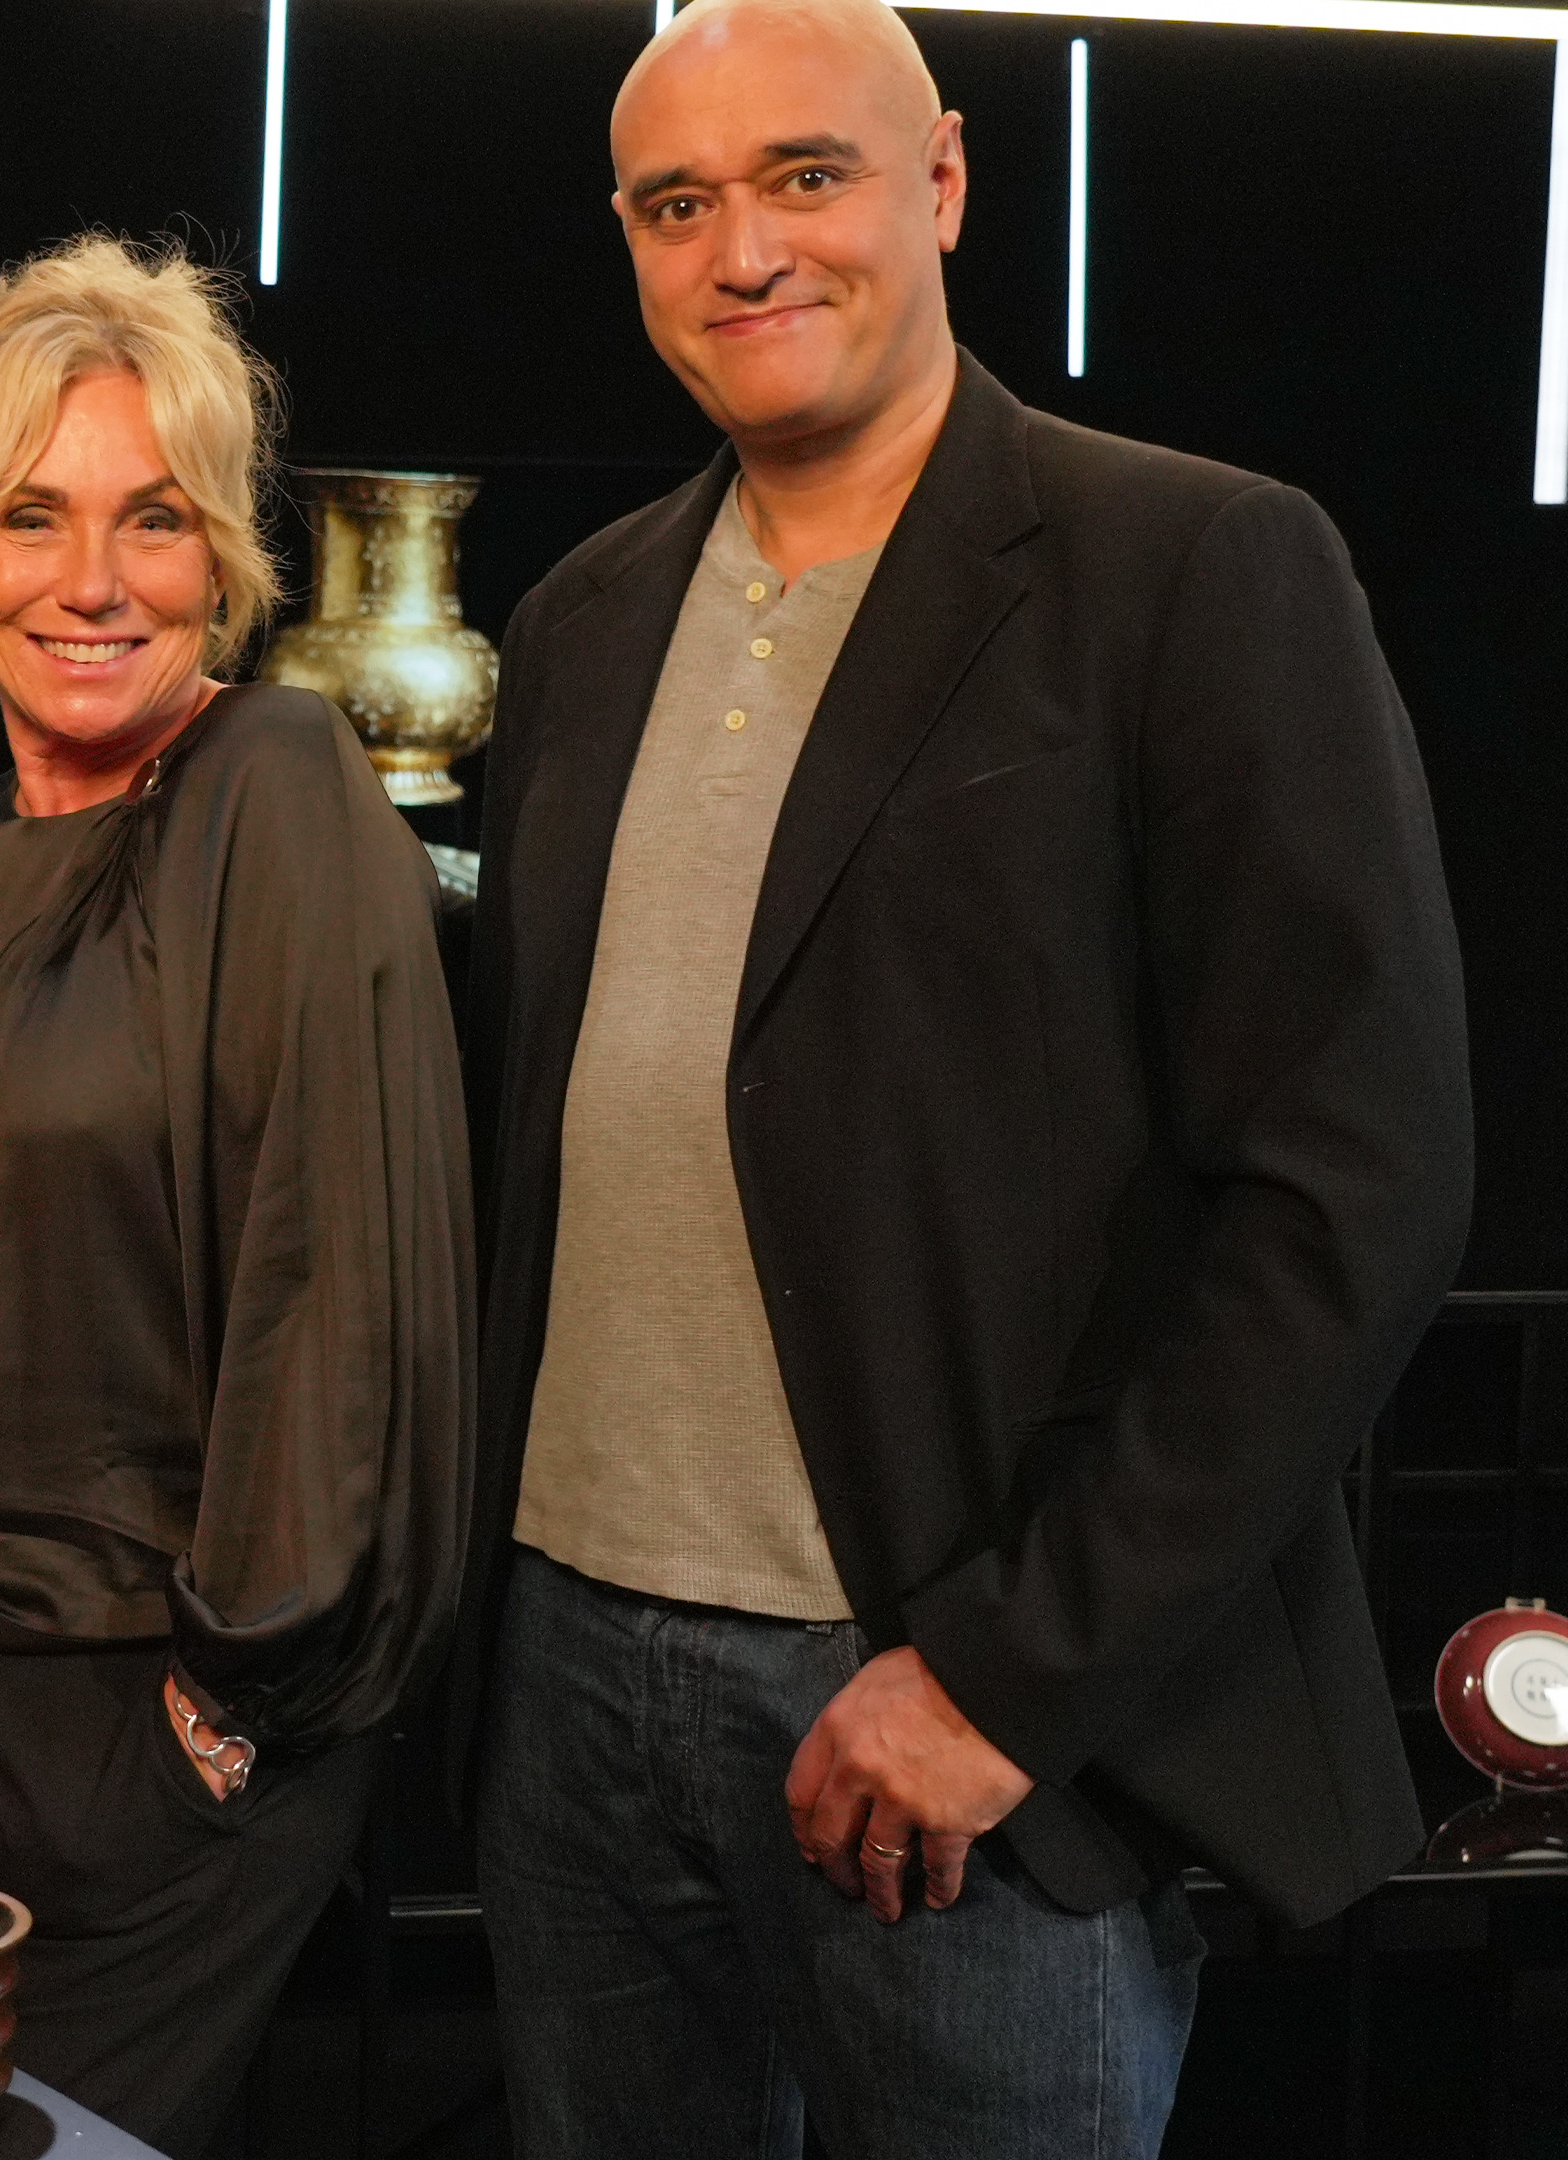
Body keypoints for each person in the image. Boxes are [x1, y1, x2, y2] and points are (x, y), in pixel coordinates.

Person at [465, 4, 1473, 2154]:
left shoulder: (1191, 565)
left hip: (948, 1708)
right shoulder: (577, 621)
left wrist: (1012, 1674)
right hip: (570, 1676)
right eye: (677, 204)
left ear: (939, 181)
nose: (743, 250)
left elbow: (1358, 1188)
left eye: (803, 177)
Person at [0, 234, 473, 2160]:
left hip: (131, 1732)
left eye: (153, 520)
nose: (89, 581)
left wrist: (237, 1698)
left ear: (223, 562)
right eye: (32, 517)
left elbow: (338, 1274)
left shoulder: (276, 782)